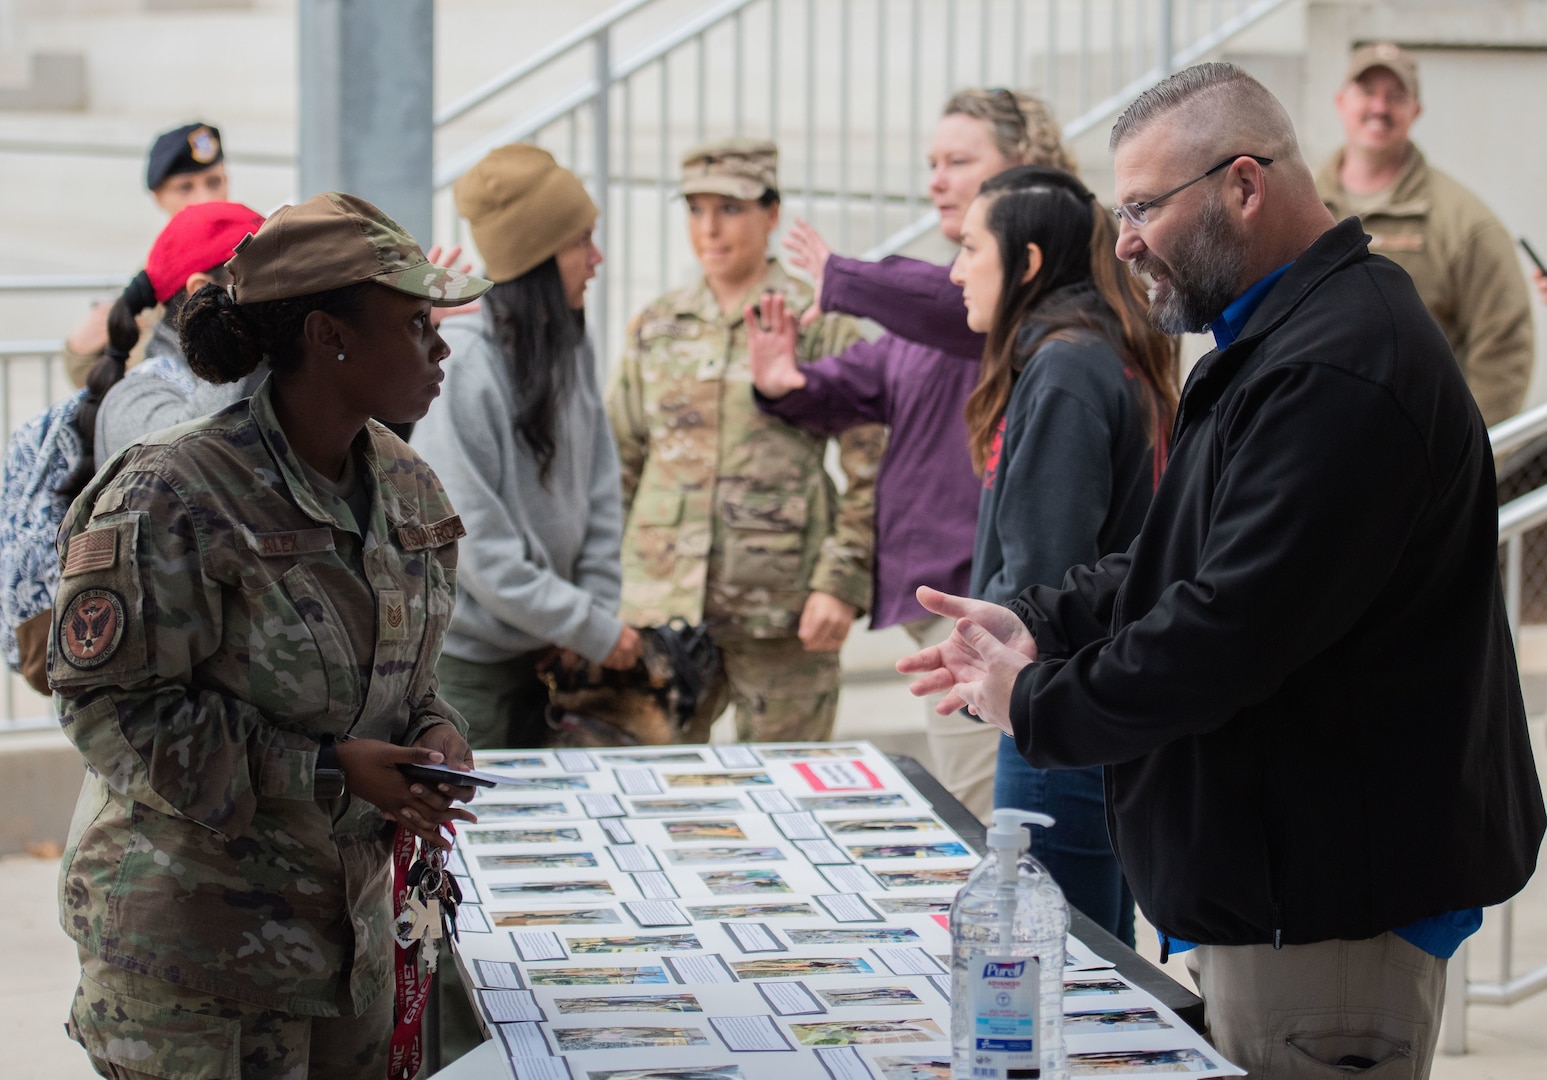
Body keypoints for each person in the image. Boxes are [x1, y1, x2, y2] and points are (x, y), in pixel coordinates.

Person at [899, 63, 1545, 1078]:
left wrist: (1039, 701)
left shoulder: (1338, 364)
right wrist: (1044, 623)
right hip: (1282, 890)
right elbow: (1181, 557)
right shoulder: (1280, 338)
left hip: (1327, 913)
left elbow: (1226, 628)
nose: (1124, 240)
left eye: (1146, 206)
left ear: (1243, 184)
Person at [52, 191, 492, 1079]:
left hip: (345, 952)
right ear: (330, 337)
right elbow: (108, 708)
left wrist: (433, 731)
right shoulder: (173, 493)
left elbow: (408, 672)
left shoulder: (405, 484)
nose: (440, 346)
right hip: (196, 973)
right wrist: (325, 768)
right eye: (413, 325)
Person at [749, 89, 1073, 821]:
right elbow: (876, 373)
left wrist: (845, 279)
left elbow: (934, 308)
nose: (935, 180)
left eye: (959, 161)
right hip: (950, 610)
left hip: (991, 609)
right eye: (931, 161)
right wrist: (787, 383)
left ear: (1021, 172)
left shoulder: (1029, 284)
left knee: (992, 825)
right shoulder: (952, 291)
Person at [608, 136, 884, 743]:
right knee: (658, 794)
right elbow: (621, 463)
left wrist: (841, 583)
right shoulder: (657, 327)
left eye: (730, 208)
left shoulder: (819, 323)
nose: (710, 228)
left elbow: (875, 469)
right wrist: (607, 590)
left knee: (789, 794)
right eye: (695, 209)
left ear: (772, 213)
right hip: (663, 608)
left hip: (783, 613)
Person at [413, 144, 638, 750]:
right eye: (579, 241)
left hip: (552, 654)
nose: (597, 258)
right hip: (471, 672)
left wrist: (590, 618)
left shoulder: (568, 349)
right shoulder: (464, 367)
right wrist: (591, 626)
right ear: (537, 258)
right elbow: (477, 547)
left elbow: (599, 491)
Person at [1316, 43, 1534, 427]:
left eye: (1395, 97)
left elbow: (1504, 345)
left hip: (1418, 461)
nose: (1380, 108)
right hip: (1312, 442)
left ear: (1416, 111)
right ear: (1340, 102)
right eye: (1367, 92)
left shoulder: (1465, 223)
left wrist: (1467, 459)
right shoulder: (1303, 208)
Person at [90, 200, 267, 469]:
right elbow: (195, 462)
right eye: (263, 273)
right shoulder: (133, 400)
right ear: (204, 290)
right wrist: (228, 343)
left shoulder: (269, 366)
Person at [62, 122, 232, 387]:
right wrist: (80, 353)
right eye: (185, 187)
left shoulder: (251, 257)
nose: (204, 199)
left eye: (214, 182)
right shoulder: (155, 271)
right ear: (158, 196)